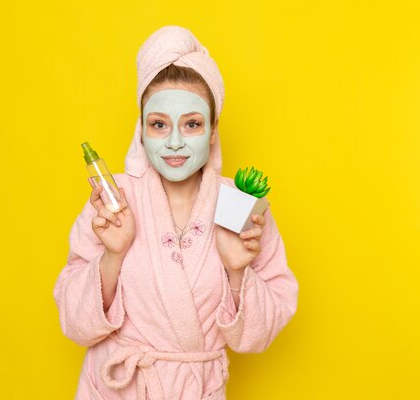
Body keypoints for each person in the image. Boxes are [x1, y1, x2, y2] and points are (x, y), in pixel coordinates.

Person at [53, 25, 299, 400]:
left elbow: (261, 335)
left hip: (197, 390)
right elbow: (74, 324)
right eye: (159, 124)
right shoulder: (113, 200)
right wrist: (112, 256)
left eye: (192, 124)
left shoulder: (240, 205)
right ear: (141, 129)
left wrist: (237, 272)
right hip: (117, 389)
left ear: (213, 130)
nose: (174, 142)